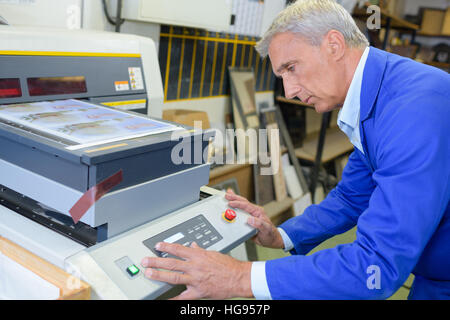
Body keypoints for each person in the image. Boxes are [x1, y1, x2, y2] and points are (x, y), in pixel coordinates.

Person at [141, 0, 450, 299]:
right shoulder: (377, 96)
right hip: (433, 273)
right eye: (282, 76)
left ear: (333, 44)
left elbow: (375, 268)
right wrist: (283, 235)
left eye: (291, 68)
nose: (289, 90)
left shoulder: (413, 111)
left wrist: (239, 277)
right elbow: (352, 196)